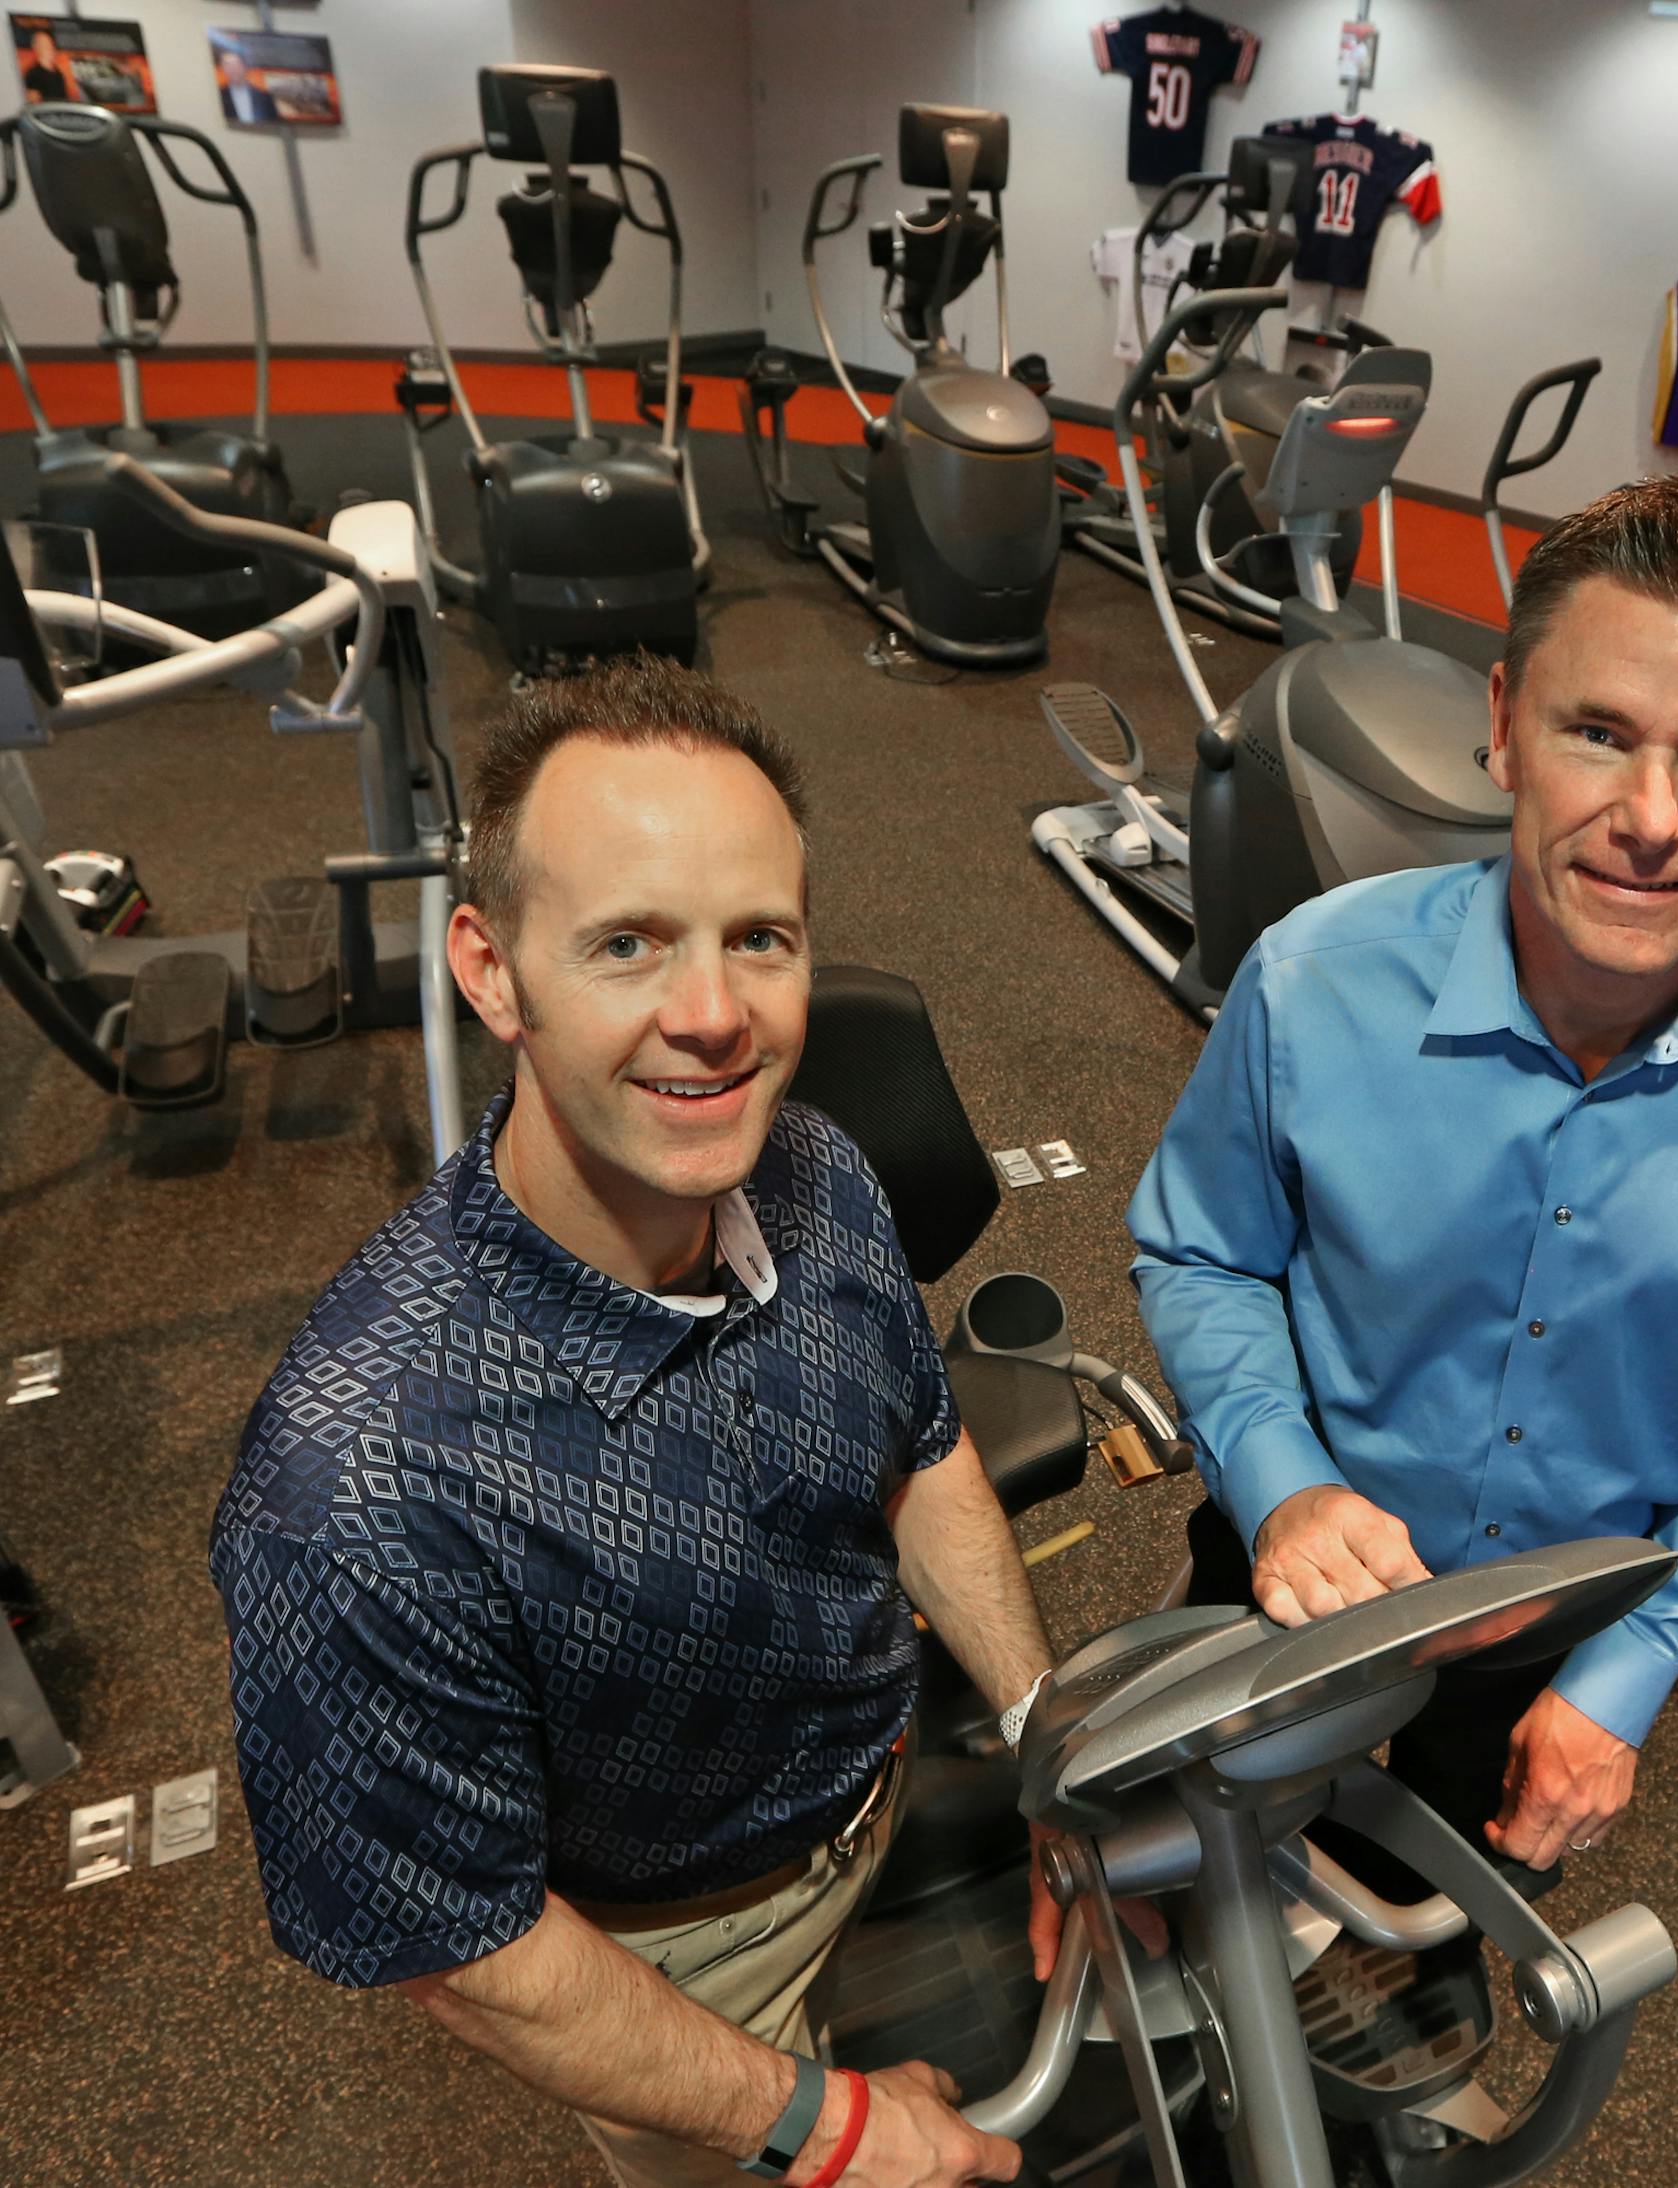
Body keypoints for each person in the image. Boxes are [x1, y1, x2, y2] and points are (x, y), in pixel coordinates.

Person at [211, 656, 1055, 2188]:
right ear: (489, 968)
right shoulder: (358, 1477)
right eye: (627, 945)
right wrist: (831, 2126)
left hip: (879, 1779)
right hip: (674, 1959)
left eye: (760, 939)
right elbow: (464, 1949)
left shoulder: (821, 1174)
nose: (717, 1015)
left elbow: (921, 1456)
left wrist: (1050, 1743)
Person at [1127, 471, 1678, 1875]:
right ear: (1503, 728)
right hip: (1288, 1565)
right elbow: (1204, 1252)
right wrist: (1281, 1478)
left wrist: (1634, 1670)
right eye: (1598, 733)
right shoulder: (1311, 984)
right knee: (1191, 1880)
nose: (1651, 818)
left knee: (1424, 1917)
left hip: (1560, 1625)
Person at [214, 44, 278, 126]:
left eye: (236, 64)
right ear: (223, 68)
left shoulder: (264, 97)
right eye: (227, 65)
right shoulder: (218, 96)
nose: (233, 69)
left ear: (245, 66)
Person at [20, 29, 69, 105]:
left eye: (51, 44)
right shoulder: (33, 75)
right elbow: (32, 101)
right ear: (37, 48)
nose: (51, 48)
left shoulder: (58, 74)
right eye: (46, 45)